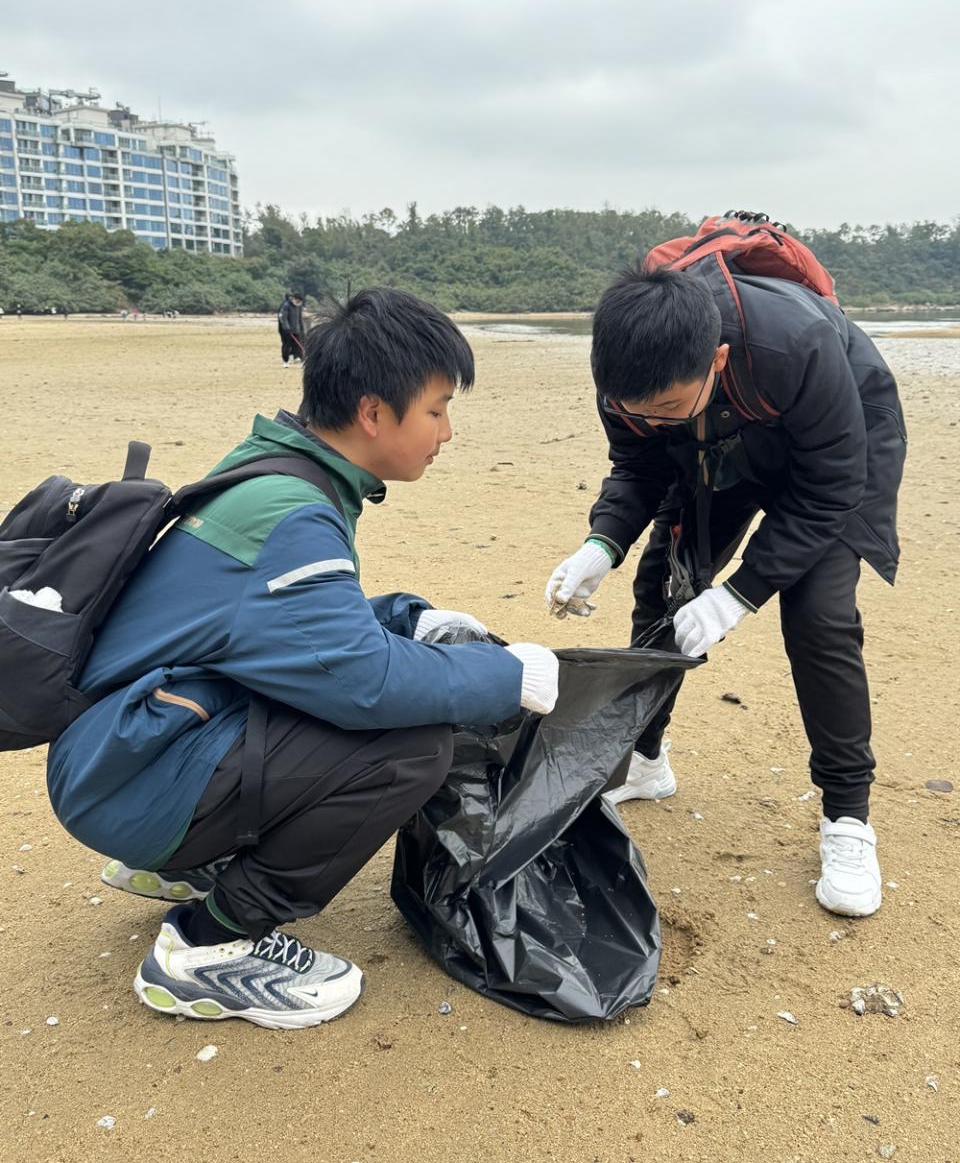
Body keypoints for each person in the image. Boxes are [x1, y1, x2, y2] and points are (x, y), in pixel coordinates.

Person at [47, 288, 559, 1028]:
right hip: (128, 783)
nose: (447, 433)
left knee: (377, 700)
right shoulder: (297, 514)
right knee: (410, 748)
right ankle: (209, 946)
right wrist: (512, 677)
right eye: (438, 409)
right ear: (374, 412)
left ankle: (190, 861)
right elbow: (364, 682)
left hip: (119, 751)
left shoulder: (277, 470)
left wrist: (411, 618)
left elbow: (275, 630)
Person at [546, 262, 905, 919]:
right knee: (663, 591)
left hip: (835, 452)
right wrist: (602, 544)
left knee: (820, 617)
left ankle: (848, 818)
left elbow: (828, 491)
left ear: (716, 359)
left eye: (665, 409)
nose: (648, 419)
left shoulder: (796, 344)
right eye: (633, 409)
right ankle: (646, 759)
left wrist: (739, 595)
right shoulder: (630, 380)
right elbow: (639, 465)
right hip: (717, 441)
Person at [278, 291, 306, 365]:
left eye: (300, 301)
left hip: (296, 329)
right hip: (287, 330)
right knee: (287, 345)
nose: (298, 302)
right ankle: (286, 359)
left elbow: (300, 318)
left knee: (297, 344)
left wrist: (302, 329)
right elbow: (284, 318)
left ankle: (297, 358)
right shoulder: (286, 305)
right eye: (298, 301)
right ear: (294, 299)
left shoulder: (299, 306)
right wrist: (287, 328)